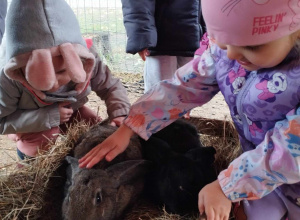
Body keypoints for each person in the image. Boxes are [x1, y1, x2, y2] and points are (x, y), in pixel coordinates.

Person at [79, 0, 300, 219]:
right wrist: (131, 126)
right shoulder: (226, 55)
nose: (231, 55)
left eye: (252, 46)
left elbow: (291, 150)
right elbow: (182, 87)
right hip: (260, 173)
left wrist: (228, 185)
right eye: (221, 40)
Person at [0, 0, 131, 160]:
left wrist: (120, 113)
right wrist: (48, 117)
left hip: (71, 110)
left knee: (92, 127)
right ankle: (29, 166)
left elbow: (111, 87)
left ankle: (76, 162)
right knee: (47, 135)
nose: (55, 84)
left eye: (62, 71)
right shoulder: (8, 76)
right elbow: (2, 120)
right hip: (30, 119)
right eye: (41, 75)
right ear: (21, 68)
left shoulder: (87, 59)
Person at [121, 0, 206, 92]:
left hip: (192, 36)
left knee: (185, 97)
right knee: (159, 96)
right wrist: (142, 34)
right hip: (161, 40)